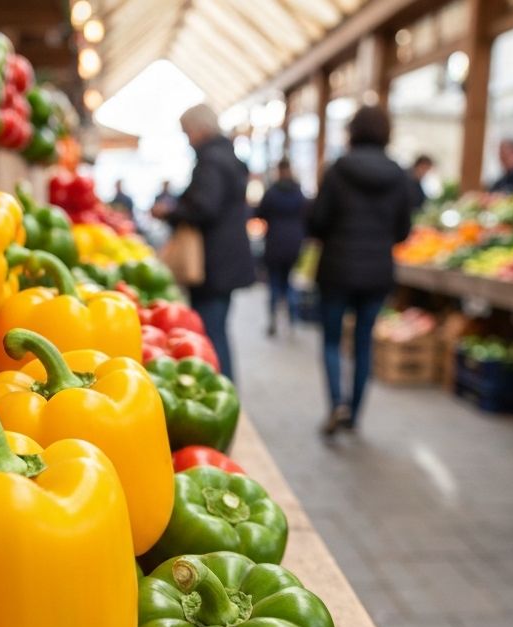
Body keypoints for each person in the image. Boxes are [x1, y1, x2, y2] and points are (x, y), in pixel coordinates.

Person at [309, 105, 413, 435]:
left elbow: (317, 222)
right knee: (364, 342)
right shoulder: (399, 175)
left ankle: (336, 403)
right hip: (377, 271)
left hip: (337, 268)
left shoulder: (338, 170)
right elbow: (403, 230)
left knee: (331, 340)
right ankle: (354, 414)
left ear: (352, 131)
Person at [153, 104, 255, 381]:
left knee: (211, 333)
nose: (188, 139)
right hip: (227, 258)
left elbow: (204, 207)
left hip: (213, 261)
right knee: (217, 328)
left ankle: (224, 388)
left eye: (187, 133)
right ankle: (227, 388)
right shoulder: (228, 157)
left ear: (199, 130)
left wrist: (171, 211)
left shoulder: (211, 161)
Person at [257, 158, 308, 336]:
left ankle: (272, 320)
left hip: (275, 242)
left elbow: (260, 212)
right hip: (294, 243)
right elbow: (307, 215)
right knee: (289, 283)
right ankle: (293, 320)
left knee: (274, 283)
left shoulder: (272, 192)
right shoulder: (298, 192)